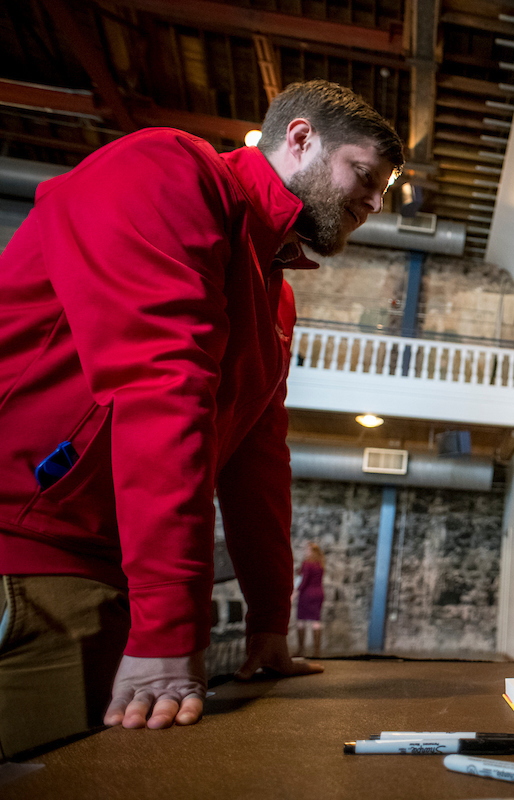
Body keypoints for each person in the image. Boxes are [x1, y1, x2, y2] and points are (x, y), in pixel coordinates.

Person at [0, 80, 403, 757]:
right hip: (24, 548)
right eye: (364, 175)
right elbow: (161, 390)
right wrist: (165, 632)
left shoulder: (275, 299)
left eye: (382, 191)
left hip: (100, 573)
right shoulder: (161, 171)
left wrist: (269, 621)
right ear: (300, 139)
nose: (372, 202)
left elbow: (255, 462)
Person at [294, 542, 326, 658]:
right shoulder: (320, 564)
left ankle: (301, 650)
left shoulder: (307, 563)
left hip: (307, 595)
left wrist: (295, 593)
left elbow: (304, 581)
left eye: (307, 550)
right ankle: (316, 652)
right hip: (319, 593)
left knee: (301, 621)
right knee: (316, 622)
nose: (305, 552)